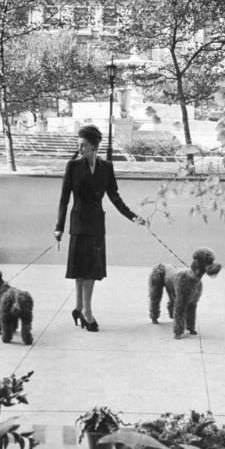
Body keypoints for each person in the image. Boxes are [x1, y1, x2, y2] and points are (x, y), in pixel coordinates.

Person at [53, 124, 144, 332]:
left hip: (95, 225)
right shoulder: (73, 166)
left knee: (91, 271)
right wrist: (58, 227)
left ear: (94, 146)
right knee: (79, 269)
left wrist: (133, 217)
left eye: (83, 145)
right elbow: (64, 199)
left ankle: (83, 309)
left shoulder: (106, 167)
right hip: (78, 224)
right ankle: (84, 310)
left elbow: (114, 196)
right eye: (79, 145)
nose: (80, 149)